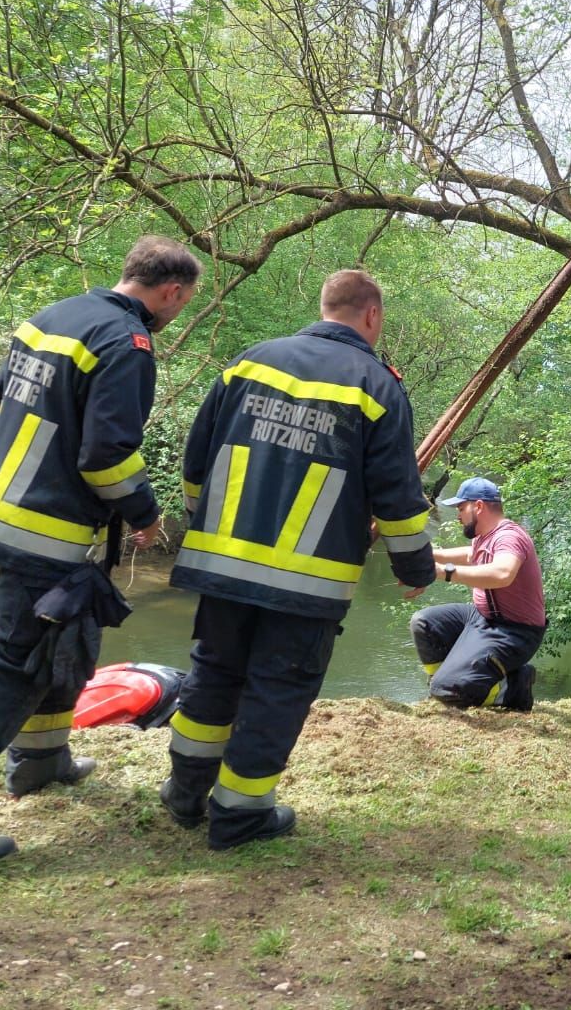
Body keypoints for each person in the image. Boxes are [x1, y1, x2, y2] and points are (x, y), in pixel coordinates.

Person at [0, 237, 200, 873]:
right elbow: (107, 455)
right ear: (171, 292)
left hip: (3, 509)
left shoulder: (53, 317)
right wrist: (144, 513)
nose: (177, 312)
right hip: (50, 530)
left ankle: (41, 760)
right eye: (182, 303)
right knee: (6, 670)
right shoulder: (127, 344)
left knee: (64, 641)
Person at [160, 270, 434, 850]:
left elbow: (196, 460)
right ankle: (240, 814)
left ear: (324, 305)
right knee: (277, 688)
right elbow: (397, 496)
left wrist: (201, 523)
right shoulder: (377, 387)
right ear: (372, 316)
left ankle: (184, 794)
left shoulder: (251, 362)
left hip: (224, 562)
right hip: (307, 580)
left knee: (214, 673)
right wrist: (415, 569)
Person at [408, 478, 546, 712]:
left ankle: (513, 686)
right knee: (424, 623)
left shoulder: (509, 537)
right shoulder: (486, 534)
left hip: (514, 631)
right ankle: (440, 684)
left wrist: (443, 572)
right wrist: (428, 554)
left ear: (479, 506)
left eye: (461, 508)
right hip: (482, 617)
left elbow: (502, 573)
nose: (458, 515)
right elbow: (470, 554)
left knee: (448, 691)